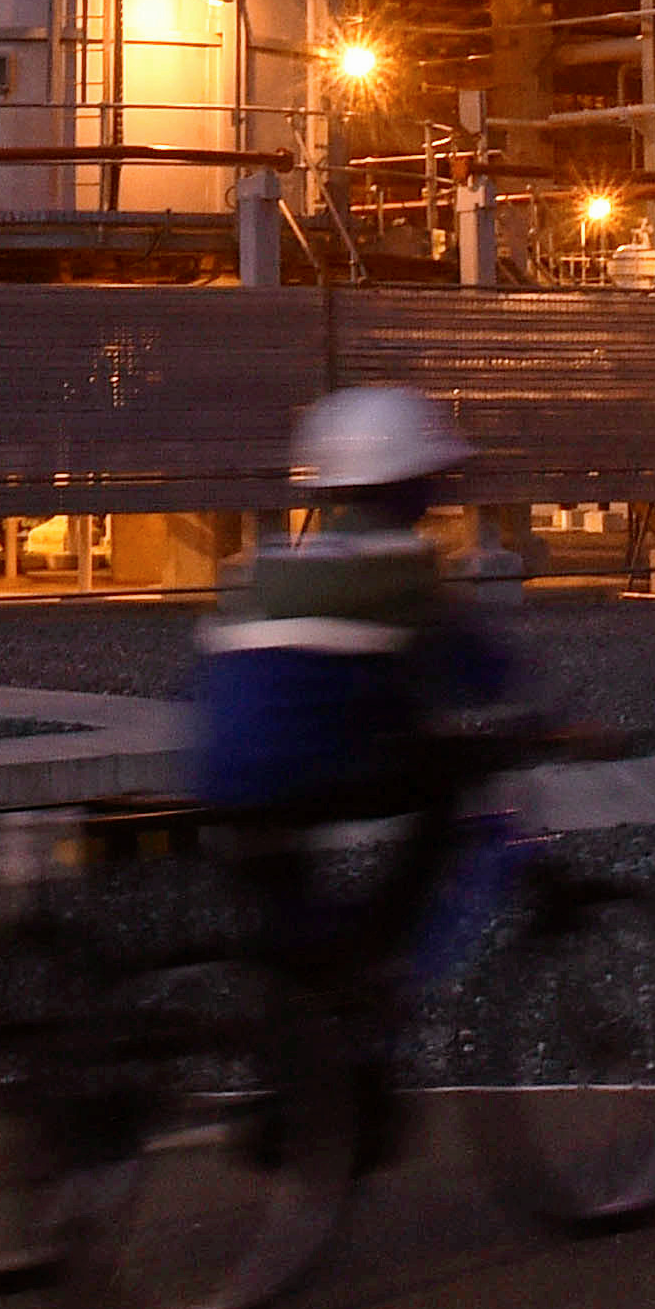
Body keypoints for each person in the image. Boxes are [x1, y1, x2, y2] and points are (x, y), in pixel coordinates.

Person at [191, 388, 520, 1145]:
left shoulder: (270, 564)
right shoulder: (400, 568)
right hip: (302, 773)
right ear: (409, 487)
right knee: (442, 796)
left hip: (222, 771)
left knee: (291, 928)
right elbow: (478, 668)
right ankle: (378, 982)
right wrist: (551, 722)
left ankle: (307, 1084)